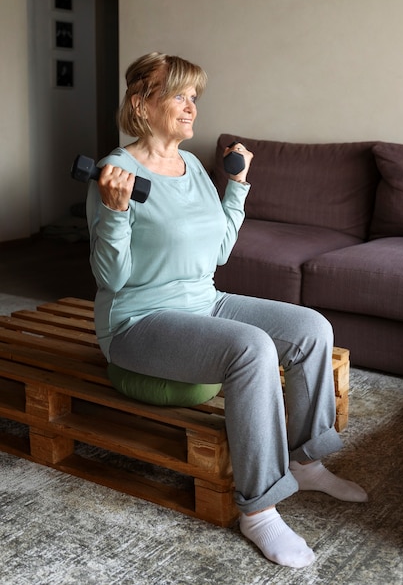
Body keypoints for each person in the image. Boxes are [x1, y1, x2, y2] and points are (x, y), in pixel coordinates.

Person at [86, 52, 367, 569]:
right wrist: (115, 214)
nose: (192, 107)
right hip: (139, 320)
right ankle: (259, 508)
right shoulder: (115, 172)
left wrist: (236, 187)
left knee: (311, 328)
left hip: (204, 300)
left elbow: (217, 253)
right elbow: (112, 279)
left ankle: (305, 460)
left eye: (195, 97)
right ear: (141, 104)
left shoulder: (192, 165)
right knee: (251, 347)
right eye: (179, 96)